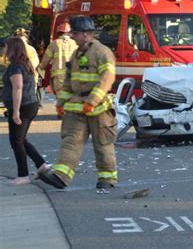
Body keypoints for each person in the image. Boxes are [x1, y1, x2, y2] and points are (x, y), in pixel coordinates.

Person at [38, 15, 118, 190]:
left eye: (75, 33)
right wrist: (61, 102)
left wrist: (92, 100)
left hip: (98, 109)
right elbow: (68, 81)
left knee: (102, 144)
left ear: (87, 33)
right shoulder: (76, 54)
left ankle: (107, 178)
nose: (72, 36)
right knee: (71, 141)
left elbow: (107, 78)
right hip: (76, 106)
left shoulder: (102, 52)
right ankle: (61, 176)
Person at [2, 36, 49, 185]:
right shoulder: (25, 63)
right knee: (21, 139)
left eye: (6, 47)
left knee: (16, 141)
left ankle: (23, 175)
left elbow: (17, 88)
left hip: (22, 107)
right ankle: (41, 165)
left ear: (12, 49)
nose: (4, 50)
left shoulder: (16, 66)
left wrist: (15, 111)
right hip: (30, 104)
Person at [39, 22, 78, 98]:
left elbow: (45, 61)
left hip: (58, 78)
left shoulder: (54, 44)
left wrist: (39, 68)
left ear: (59, 32)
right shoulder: (75, 44)